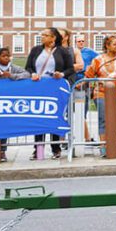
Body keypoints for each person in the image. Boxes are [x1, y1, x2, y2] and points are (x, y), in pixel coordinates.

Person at [25, 27, 75, 159]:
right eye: (42, 35)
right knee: (38, 118)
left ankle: (56, 148)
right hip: (38, 88)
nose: (42, 37)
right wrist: (33, 73)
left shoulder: (62, 51)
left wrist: (62, 74)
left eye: (45, 35)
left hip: (55, 89)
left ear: (53, 38)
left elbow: (71, 69)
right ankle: (38, 149)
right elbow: (28, 67)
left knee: (53, 117)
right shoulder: (36, 50)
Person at [0, 47, 29, 162]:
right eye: (4, 56)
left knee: (4, 126)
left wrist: (11, 76)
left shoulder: (14, 68)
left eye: (8, 56)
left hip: (6, 102)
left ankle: (2, 151)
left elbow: (27, 74)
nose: (7, 58)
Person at [84, 35, 116, 156]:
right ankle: (104, 146)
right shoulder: (98, 60)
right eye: (115, 44)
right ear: (107, 46)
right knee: (103, 118)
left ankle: (113, 141)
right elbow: (89, 74)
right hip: (101, 93)